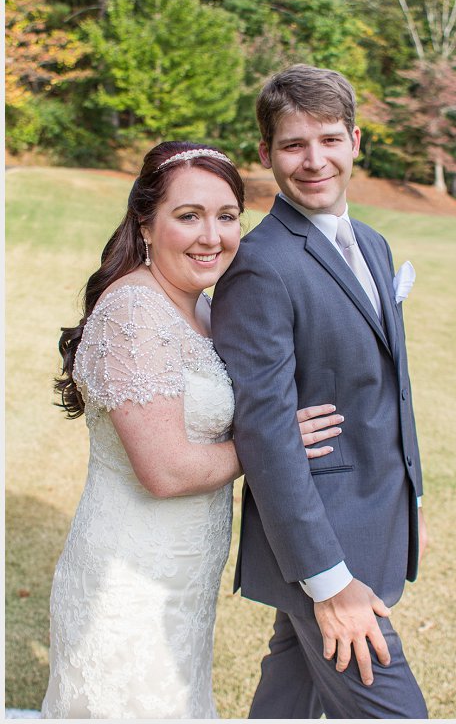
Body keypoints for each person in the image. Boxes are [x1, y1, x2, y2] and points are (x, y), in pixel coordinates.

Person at [42, 141, 343, 720]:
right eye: (189, 216)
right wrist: (274, 443)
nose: (212, 236)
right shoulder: (134, 312)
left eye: (227, 216)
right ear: (145, 225)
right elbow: (166, 471)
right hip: (130, 579)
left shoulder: (200, 306)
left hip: (183, 580)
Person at [211, 66, 427, 719]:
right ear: (266, 153)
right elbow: (266, 434)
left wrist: (410, 502)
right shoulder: (260, 265)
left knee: (288, 699)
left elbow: (385, 394)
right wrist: (329, 583)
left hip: (371, 516)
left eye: (329, 139)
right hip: (323, 547)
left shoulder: (372, 243)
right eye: (293, 144)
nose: (314, 160)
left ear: (355, 141)